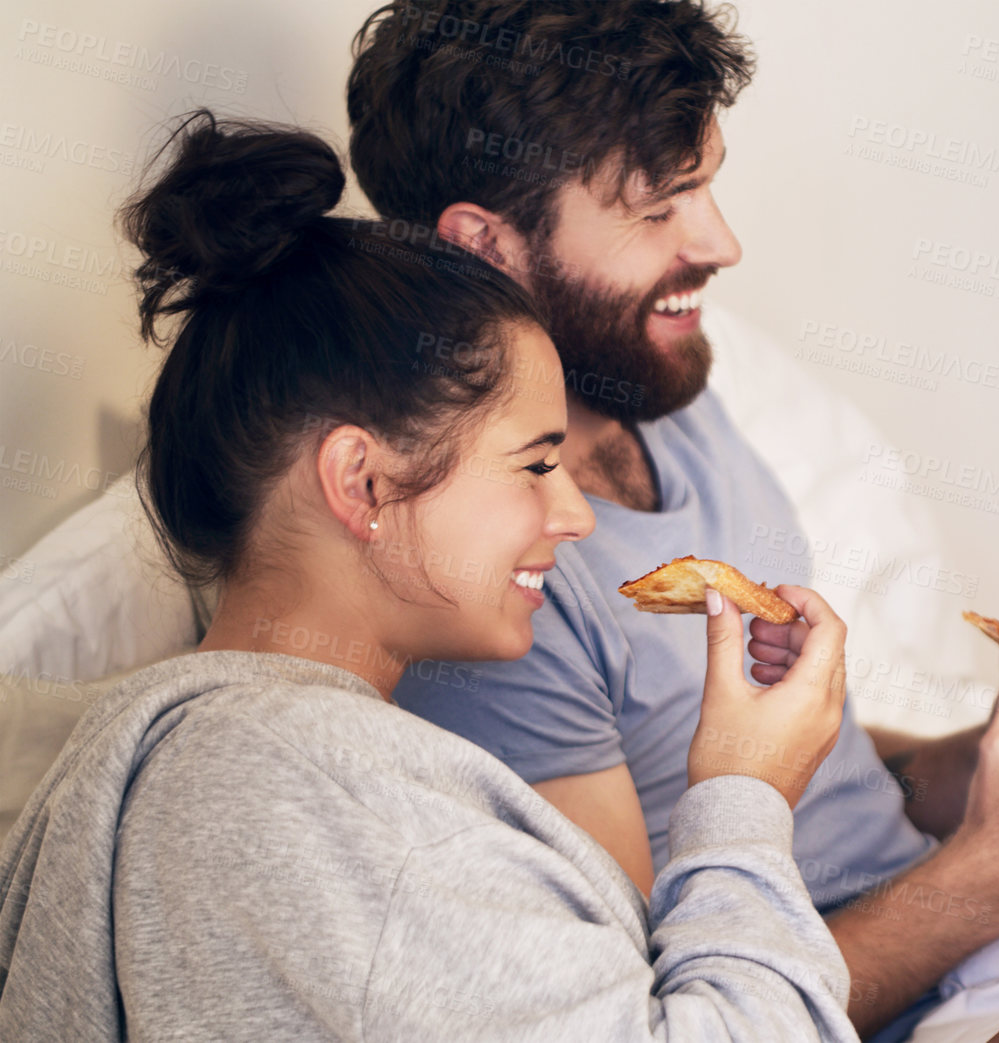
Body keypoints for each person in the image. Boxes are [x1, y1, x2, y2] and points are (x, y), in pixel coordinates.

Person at [347, 3, 999, 1033]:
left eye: (707, 185)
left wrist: (993, 764)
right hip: (873, 1005)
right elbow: (663, 1010)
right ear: (486, 244)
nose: (721, 243)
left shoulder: (663, 390)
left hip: (979, 943)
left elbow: (808, 796)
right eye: (658, 208)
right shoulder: (498, 580)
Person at [0, 114, 859, 1040]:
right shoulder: (291, 788)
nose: (572, 513)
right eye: (535, 465)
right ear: (361, 481)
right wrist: (744, 793)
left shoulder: (293, 763)